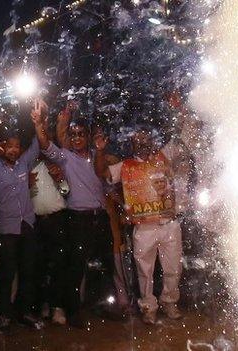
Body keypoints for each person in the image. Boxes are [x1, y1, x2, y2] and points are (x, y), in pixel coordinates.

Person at [34, 102, 113, 328]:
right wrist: (39, 123)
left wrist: (100, 149)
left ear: (87, 137)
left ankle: (106, 305)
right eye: (73, 134)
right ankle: (73, 310)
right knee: (76, 266)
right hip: (78, 219)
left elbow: (100, 173)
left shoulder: (95, 155)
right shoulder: (66, 157)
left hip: (100, 216)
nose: (77, 138)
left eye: (81, 134)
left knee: (106, 263)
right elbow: (45, 143)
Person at [94, 127, 183, 325]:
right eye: (137, 140)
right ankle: (148, 307)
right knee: (145, 271)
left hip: (168, 222)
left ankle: (169, 302)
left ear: (152, 139)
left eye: (145, 138)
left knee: (173, 267)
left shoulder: (164, 155)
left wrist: (180, 112)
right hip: (143, 227)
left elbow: (183, 137)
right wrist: (100, 151)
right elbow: (102, 173)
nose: (142, 142)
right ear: (132, 144)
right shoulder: (126, 165)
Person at [0, 99, 47, 330]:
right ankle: (4, 313)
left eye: (18, 146)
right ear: (2, 146)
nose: (14, 149)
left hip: (27, 224)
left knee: (28, 270)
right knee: (7, 272)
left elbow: (38, 144)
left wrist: (38, 121)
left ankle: (24, 312)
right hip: (5, 228)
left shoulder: (25, 163)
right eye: (10, 145)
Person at [30, 158, 68, 324]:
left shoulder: (56, 165)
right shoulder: (27, 167)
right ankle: (43, 304)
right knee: (39, 265)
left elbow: (66, 191)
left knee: (59, 264)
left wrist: (58, 178)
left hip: (57, 220)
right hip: (36, 222)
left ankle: (57, 306)